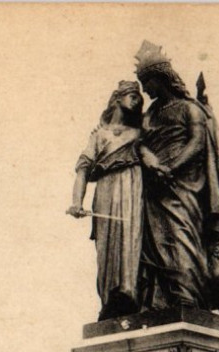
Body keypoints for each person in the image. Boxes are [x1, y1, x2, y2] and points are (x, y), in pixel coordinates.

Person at [134, 42, 219, 313]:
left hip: (183, 187)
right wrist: (148, 158)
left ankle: (187, 299)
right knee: (154, 246)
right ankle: (158, 302)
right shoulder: (150, 114)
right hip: (154, 189)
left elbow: (197, 142)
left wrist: (171, 167)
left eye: (147, 82)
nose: (145, 90)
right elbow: (138, 141)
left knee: (181, 240)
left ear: (161, 78)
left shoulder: (188, 108)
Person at [67, 81, 144, 320]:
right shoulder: (99, 135)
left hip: (132, 186)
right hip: (106, 190)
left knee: (131, 237)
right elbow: (82, 169)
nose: (138, 100)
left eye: (140, 97)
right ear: (117, 99)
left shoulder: (140, 134)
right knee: (107, 245)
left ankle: (128, 292)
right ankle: (110, 298)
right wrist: (76, 202)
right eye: (133, 95)